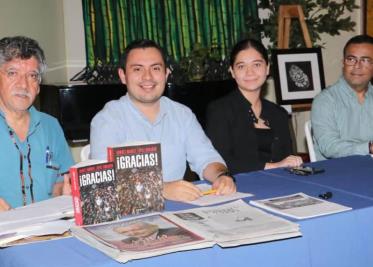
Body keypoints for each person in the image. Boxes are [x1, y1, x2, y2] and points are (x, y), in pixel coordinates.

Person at [90, 39, 236, 202]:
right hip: (129, 214)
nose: (148, 77)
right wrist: (160, 189)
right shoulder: (107, 119)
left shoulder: (182, 114)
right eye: (137, 69)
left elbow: (206, 157)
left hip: (178, 208)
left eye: (156, 68)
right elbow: (102, 180)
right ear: (123, 76)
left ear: (166, 74)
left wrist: (222, 176)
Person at [206, 38, 302, 174]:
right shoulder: (219, 110)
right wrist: (273, 166)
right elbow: (219, 162)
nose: (249, 72)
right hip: (237, 187)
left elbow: (288, 158)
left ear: (267, 68)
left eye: (256, 65)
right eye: (241, 66)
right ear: (232, 72)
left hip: (281, 184)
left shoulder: (278, 113)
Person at [0, 36, 74, 211]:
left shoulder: (51, 126)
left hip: (50, 229)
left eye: (32, 76)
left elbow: (61, 182)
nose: (23, 84)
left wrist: (64, 196)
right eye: (12, 73)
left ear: (39, 86)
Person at [311, 34, 373, 160]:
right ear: (343, 63)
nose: (357, 66)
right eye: (351, 59)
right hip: (335, 173)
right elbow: (329, 147)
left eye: (365, 60)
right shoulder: (325, 100)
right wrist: (369, 147)